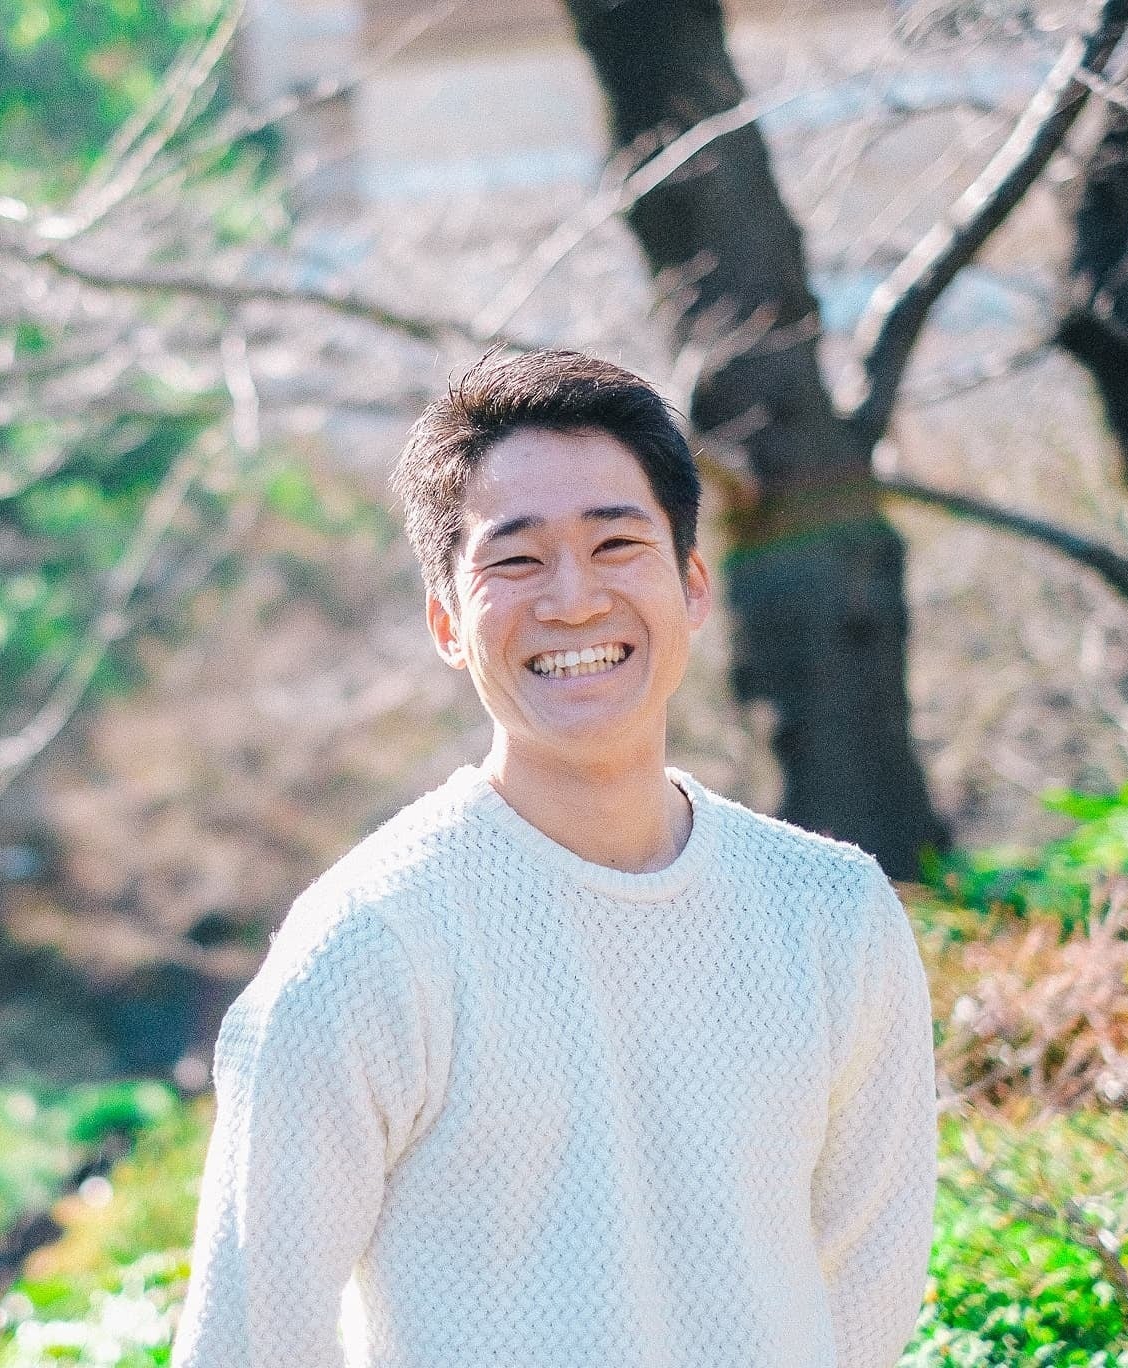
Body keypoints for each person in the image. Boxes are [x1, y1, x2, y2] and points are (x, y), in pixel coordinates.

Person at [170, 350, 937, 1368]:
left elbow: (865, 1299)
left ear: (691, 586)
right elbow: (249, 1340)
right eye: (517, 561)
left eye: (616, 544)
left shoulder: (831, 915)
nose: (573, 600)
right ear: (447, 621)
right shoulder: (367, 947)